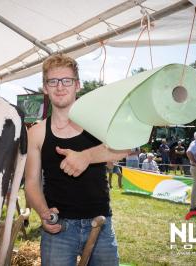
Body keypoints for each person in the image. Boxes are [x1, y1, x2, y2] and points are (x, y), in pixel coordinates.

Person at [25, 54, 129, 266]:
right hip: (58, 230)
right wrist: (44, 213)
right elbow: (31, 184)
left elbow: (125, 147)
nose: (60, 87)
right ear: (45, 88)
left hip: (100, 225)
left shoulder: (97, 121)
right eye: (52, 81)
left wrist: (87, 156)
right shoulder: (36, 133)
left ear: (77, 85)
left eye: (67, 81)